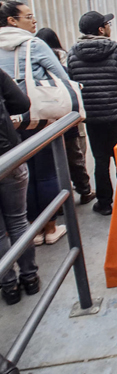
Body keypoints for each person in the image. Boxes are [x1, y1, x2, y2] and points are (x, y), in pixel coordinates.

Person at [0, 1, 69, 245]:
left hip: (6, 124)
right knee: (46, 173)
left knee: (19, 173)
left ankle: (31, 230)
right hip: (36, 119)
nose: (34, 21)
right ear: (12, 21)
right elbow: (62, 77)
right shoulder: (34, 45)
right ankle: (49, 228)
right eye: (29, 16)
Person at [67, 11, 117, 216]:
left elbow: (73, 85)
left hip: (93, 118)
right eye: (107, 24)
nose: (109, 27)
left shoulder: (72, 54)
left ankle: (104, 203)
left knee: (100, 160)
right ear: (100, 29)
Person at [35, 27, 95, 206]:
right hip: (66, 114)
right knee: (75, 154)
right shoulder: (64, 58)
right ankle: (84, 190)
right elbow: (71, 82)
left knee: (48, 163)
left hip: (43, 118)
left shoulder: (30, 63)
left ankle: (58, 202)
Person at [0, 66, 38, 305]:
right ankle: (30, 277)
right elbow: (22, 104)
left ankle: (9, 286)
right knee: (17, 220)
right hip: (7, 156)